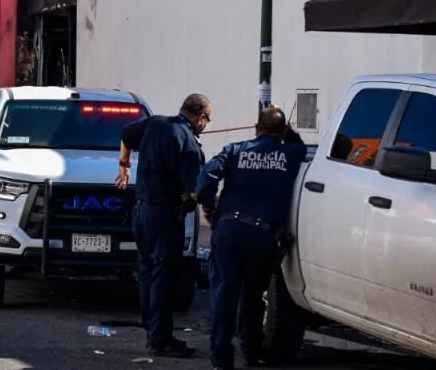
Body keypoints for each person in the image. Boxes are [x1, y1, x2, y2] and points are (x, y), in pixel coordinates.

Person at [197, 105, 306, 370]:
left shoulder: (234, 150)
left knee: (224, 296)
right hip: (261, 236)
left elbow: (206, 177)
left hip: (228, 231)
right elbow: (300, 146)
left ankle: (221, 360)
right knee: (253, 296)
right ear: (281, 133)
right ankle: (251, 352)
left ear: (256, 129)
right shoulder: (290, 153)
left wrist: (209, 208)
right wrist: (287, 132)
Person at [119, 93, 211, 359]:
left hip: (141, 212)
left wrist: (123, 166)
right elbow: (194, 190)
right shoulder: (189, 145)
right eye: (207, 120)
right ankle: (160, 339)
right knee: (163, 277)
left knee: (146, 273)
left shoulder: (154, 123)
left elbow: (126, 135)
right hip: (165, 217)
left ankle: (152, 330)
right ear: (201, 118)